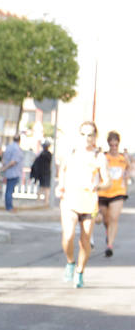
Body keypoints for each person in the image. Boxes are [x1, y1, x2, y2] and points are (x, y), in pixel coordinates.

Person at [56, 121, 109, 288]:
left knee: (85, 239)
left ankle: (80, 271)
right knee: (68, 235)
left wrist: (98, 186)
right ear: (79, 135)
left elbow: (107, 181)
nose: (87, 138)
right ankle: (70, 262)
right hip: (70, 199)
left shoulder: (99, 156)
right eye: (84, 134)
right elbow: (62, 170)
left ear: (95, 137)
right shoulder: (71, 152)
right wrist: (60, 186)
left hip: (89, 202)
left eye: (90, 134)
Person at [98, 130, 129, 257]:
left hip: (118, 192)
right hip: (104, 191)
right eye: (112, 145)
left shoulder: (123, 159)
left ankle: (110, 245)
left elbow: (129, 171)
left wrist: (126, 179)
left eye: (116, 145)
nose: (114, 148)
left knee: (113, 218)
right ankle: (108, 231)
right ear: (108, 145)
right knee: (106, 218)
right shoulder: (104, 157)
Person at [1, 134, 23, 212]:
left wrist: (4, 168)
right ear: (19, 140)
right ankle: (9, 207)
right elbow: (13, 162)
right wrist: (5, 168)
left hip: (9, 172)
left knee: (8, 190)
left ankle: (9, 206)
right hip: (14, 172)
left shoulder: (8, 147)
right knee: (10, 190)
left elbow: (3, 159)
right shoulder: (17, 149)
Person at [30, 141, 53, 207]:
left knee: (41, 187)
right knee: (46, 188)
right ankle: (46, 201)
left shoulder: (40, 154)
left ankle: (38, 200)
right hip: (46, 172)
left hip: (41, 173)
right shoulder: (49, 154)